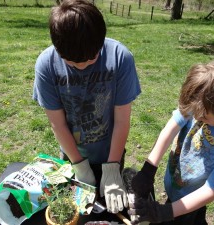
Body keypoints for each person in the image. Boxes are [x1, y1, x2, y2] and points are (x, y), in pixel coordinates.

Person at [33, 0, 141, 214]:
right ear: (58, 49)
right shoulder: (46, 65)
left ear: (100, 41)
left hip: (111, 152)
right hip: (73, 156)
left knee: (113, 209)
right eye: (73, 63)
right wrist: (79, 166)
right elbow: (58, 124)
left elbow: (121, 120)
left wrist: (112, 168)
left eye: (92, 57)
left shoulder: (121, 58)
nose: (83, 65)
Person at [128, 62, 214, 225]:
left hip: (194, 201)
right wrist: (149, 168)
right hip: (177, 185)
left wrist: (166, 212)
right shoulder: (202, 98)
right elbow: (173, 124)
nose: (198, 119)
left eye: (204, 119)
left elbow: (211, 189)